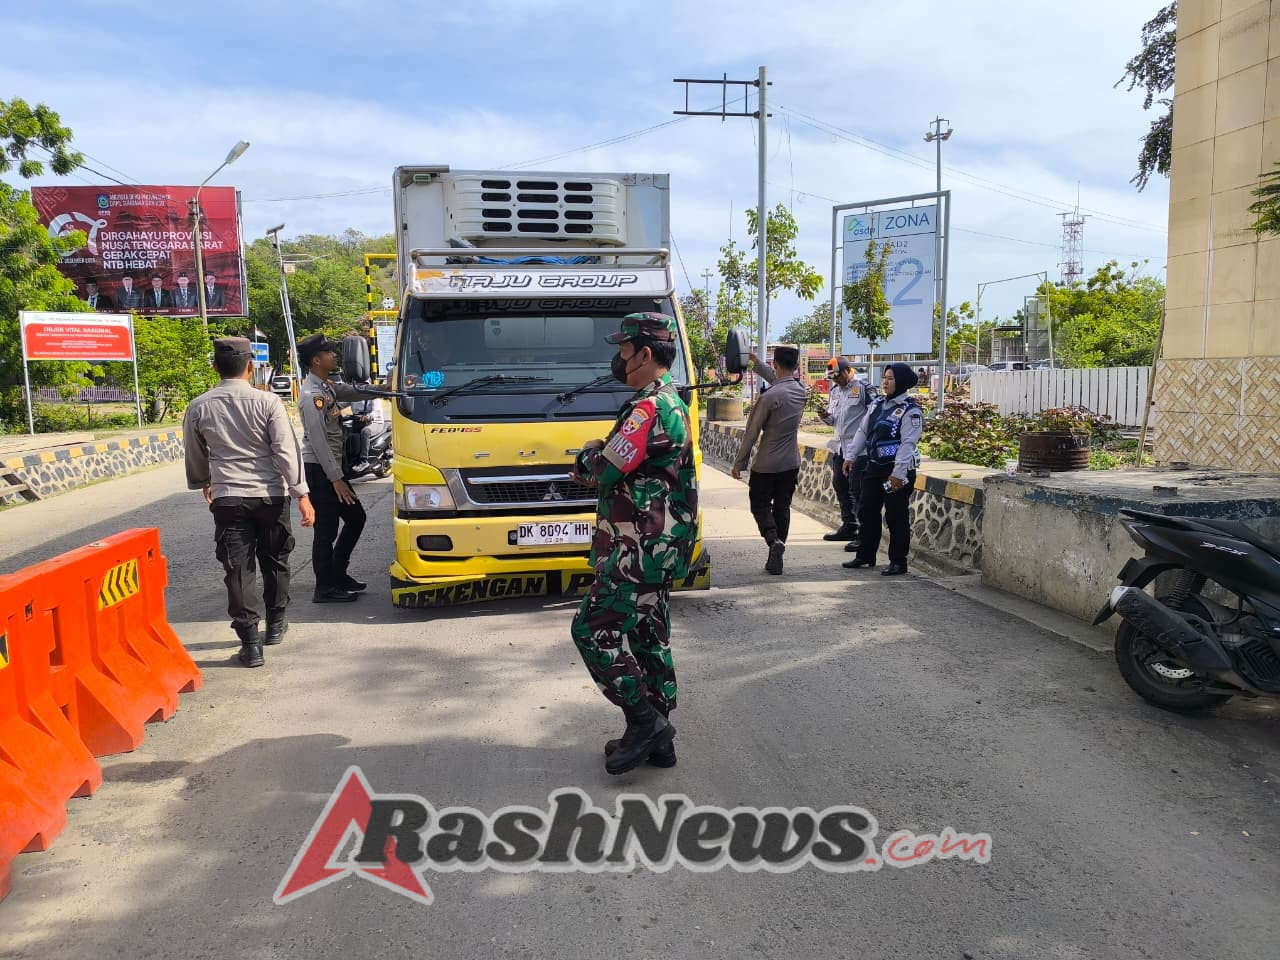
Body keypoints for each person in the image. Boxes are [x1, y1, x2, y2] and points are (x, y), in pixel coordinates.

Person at [568, 312, 698, 775]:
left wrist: (587, 452)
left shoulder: (647, 409)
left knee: (591, 630)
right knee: (647, 635)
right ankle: (659, 740)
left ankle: (645, 723)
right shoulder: (671, 402)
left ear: (645, 353)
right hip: (659, 545)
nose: (618, 359)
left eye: (624, 350)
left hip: (636, 547)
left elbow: (604, 469)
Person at [183, 336, 315, 668]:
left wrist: (204, 481)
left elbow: (195, 452)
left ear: (215, 367)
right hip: (270, 495)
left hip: (228, 497)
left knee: (238, 570)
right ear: (251, 366)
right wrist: (302, 494)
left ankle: (251, 644)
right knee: (276, 561)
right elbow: (286, 451)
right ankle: (275, 624)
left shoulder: (199, 405)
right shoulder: (269, 403)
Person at [297, 332, 370, 603]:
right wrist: (336, 478)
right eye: (329, 353)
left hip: (331, 469)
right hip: (321, 470)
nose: (334, 356)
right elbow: (317, 442)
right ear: (317, 360)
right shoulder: (311, 395)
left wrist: (386, 388)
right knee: (326, 530)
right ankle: (324, 588)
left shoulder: (325, 386)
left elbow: (350, 391)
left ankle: (337, 574)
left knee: (355, 518)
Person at [842, 363, 924, 576]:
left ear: (902, 383)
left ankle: (898, 561)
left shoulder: (910, 410)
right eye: (885, 378)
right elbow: (862, 431)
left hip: (897, 472)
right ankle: (866, 554)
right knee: (866, 510)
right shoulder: (877, 403)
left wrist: (898, 473)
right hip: (875, 466)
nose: (885, 382)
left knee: (896, 515)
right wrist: (850, 455)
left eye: (891, 378)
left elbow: (908, 443)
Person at [733, 345, 806, 575]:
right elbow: (779, 379)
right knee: (782, 506)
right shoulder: (800, 391)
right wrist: (757, 363)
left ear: (775, 364)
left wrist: (739, 463)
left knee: (760, 505)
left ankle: (773, 540)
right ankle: (778, 549)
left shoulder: (769, 397)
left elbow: (752, 433)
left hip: (766, 464)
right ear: (796, 366)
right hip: (790, 463)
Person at [820, 356, 872, 545]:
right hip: (840, 448)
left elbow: (873, 417)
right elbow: (834, 420)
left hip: (859, 450)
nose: (836, 380)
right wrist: (825, 417)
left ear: (848, 371)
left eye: (838, 376)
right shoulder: (835, 391)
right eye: (833, 377)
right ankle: (849, 526)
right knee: (840, 486)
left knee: (858, 490)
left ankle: (863, 534)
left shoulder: (864, 388)